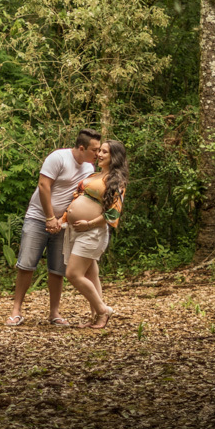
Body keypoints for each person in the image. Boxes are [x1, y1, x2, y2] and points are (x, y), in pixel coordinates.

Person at [5, 128, 101, 327]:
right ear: (81, 148)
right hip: (38, 218)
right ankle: (16, 311)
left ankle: (54, 313)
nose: (98, 154)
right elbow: (43, 185)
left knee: (57, 268)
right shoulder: (58, 157)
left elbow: (79, 197)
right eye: (94, 150)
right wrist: (49, 217)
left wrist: (61, 219)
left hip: (63, 224)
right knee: (26, 264)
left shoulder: (89, 169)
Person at [58, 138, 128, 329]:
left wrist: (89, 224)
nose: (99, 155)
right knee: (90, 275)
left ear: (114, 156)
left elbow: (113, 213)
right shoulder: (94, 175)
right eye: (100, 151)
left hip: (93, 232)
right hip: (76, 231)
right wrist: (63, 219)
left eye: (105, 152)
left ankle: (103, 310)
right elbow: (76, 199)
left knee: (73, 274)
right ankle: (96, 317)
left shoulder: (117, 181)